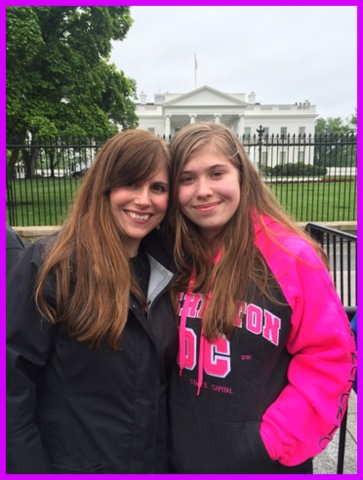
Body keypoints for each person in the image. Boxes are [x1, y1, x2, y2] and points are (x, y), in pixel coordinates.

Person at [167, 121, 357, 474]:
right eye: (187, 178)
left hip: (262, 462)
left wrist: (269, 442)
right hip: (179, 457)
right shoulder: (172, 257)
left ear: (242, 175)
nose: (203, 190)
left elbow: (330, 358)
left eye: (216, 173)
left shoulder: (292, 256)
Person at [6, 129, 178, 473]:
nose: (144, 200)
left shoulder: (169, 270)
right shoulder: (54, 266)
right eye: (131, 183)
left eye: (157, 188)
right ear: (105, 186)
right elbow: (11, 388)